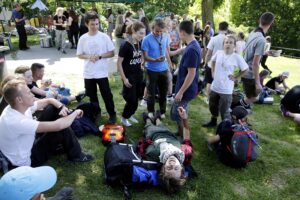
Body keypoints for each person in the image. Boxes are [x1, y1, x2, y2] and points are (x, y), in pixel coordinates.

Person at [0, 79, 93, 168]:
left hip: (28, 142)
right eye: (28, 93)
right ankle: (76, 156)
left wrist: (61, 107)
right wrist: (75, 112)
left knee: (52, 108)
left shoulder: (16, 106)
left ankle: (65, 144)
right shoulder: (16, 121)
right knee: (62, 129)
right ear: (19, 99)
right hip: (26, 161)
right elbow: (59, 126)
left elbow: (49, 101)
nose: (32, 95)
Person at [77, 11, 116, 124]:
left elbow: (112, 53)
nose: (95, 27)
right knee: (92, 95)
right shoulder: (83, 38)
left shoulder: (104, 37)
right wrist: (89, 56)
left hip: (101, 72)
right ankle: (96, 112)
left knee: (107, 95)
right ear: (86, 24)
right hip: (88, 73)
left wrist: (99, 56)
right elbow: (79, 55)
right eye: (92, 24)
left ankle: (112, 114)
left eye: (97, 24)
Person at [142, 107, 192, 193]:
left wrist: (148, 141)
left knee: (149, 125)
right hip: (168, 133)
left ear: (163, 168)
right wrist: (184, 119)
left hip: (153, 134)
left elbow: (145, 144)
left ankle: (147, 119)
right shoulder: (185, 152)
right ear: (181, 167)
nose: (172, 163)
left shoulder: (153, 154)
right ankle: (157, 118)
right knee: (160, 124)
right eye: (176, 168)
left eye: (169, 168)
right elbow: (186, 137)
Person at [202, 35, 248, 127]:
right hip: (215, 86)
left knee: (224, 110)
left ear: (234, 46)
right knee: (212, 106)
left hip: (226, 89)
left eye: (231, 42)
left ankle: (225, 127)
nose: (228, 44)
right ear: (223, 44)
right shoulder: (219, 53)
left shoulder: (237, 57)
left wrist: (236, 77)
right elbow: (213, 61)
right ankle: (213, 121)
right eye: (226, 42)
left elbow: (245, 69)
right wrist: (213, 72)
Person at [237, 12, 275, 110]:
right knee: (254, 97)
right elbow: (255, 63)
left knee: (251, 97)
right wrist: (258, 83)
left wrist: (265, 52)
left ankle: (242, 113)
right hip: (249, 73)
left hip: (244, 69)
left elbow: (250, 51)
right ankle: (235, 109)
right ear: (271, 24)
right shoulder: (262, 39)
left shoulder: (253, 32)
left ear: (260, 20)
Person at [171, 20, 201, 136]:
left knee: (179, 113)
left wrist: (180, 92)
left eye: (179, 33)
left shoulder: (192, 50)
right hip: (185, 87)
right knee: (180, 111)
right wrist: (175, 52)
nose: (179, 36)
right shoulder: (193, 44)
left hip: (186, 89)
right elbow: (185, 50)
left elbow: (191, 73)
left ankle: (183, 135)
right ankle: (181, 132)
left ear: (183, 32)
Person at [142, 18, 172, 119]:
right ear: (152, 28)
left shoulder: (166, 36)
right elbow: (145, 57)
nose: (158, 33)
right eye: (156, 31)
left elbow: (166, 51)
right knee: (151, 92)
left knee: (163, 92)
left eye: (161, 31)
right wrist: (155, 60)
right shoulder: (146, 39)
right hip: (151, 70)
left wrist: (170, 63)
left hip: (163, 69)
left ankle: (162, 111)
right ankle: (150, 111)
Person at [117, 22, 146, 126]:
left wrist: (142, 64)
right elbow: (119, 63)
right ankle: (124, 117)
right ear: (133, 31)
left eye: (144, 33)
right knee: (131, 99)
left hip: (139, 75)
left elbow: (140, 55)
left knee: (138, 96)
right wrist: (124, 79)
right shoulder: (125, 45)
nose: (142, 36)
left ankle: (131, 114)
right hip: (129, 77)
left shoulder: (139, 42)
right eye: (140, 33)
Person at [204, 22, 229, 102]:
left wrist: (205, 63)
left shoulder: (214, 39)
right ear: (227, 29)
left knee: (209, 82)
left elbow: (208, 53)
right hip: (224, 64)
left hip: (212, 64)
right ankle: (219, 99)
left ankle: (208, 99)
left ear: (219, 28)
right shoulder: (229, 40)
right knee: (222, 83)